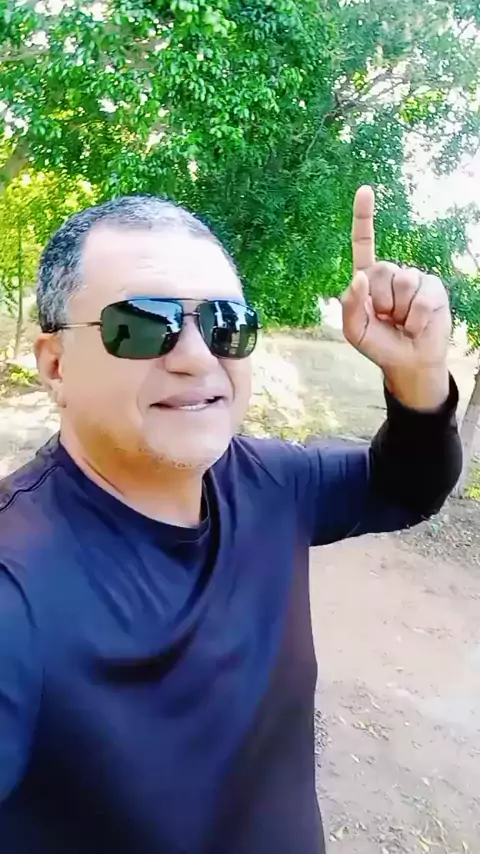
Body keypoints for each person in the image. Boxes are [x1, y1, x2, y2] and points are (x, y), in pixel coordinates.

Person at [0, 187, 461, 854]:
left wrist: (419, 376)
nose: (197, 356)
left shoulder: (269, 482)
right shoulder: (17, 581)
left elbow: (406, 487)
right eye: (143, 324)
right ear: (56, 363)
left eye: (226, 323)